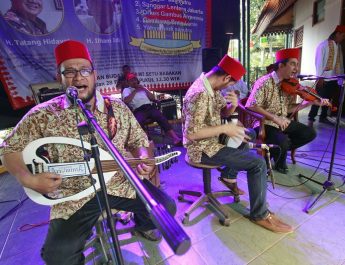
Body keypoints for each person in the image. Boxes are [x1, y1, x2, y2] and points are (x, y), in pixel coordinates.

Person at [0, 40, 176, 265]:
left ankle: (143, 224)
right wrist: (27, 178)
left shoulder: (118, 108)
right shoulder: (43, 114)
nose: (78, 77)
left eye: (84, 70)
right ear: (59, 77)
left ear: (94, 75)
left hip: (120, 184)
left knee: (166, 208)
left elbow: (138, 141)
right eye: (69, 72)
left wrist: (143, 156)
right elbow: (9, 148)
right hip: (75, 195)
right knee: (58, 256)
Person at [183, 54, 293, 233]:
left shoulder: (211, 86)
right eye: (229, 83)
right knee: (257, 164)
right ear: (226, 77)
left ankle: (228, 175)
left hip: (212, 140)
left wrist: (232, 107)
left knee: (247, 133)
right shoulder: (199, 94)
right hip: (201, 149)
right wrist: (225, 129)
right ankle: (260, 214)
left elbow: (224, 113)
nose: (228, 87)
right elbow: (192, 133)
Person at [246, 48, 329, 174]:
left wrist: (309, 102)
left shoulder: (288, 84)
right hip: (264, 122)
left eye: (297, 64)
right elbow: (251, 105)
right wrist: (275, 118)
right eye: (293, 64)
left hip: (283, 121)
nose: (296, 68)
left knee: (310, 133)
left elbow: (288, 109)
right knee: (282, 140)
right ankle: (279, 153)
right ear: (281, 65)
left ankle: (277, 150)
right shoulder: (264, 82)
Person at [122, 73, 182, 146]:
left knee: (161, 118)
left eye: (134, 79)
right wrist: (135, 91)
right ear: (128, 82)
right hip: (138, 109)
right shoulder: (127, 90)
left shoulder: (143, 88)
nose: (134, 81)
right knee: (138, 123)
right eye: (131, 80)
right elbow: (126, 101)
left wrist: (143, 89)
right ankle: (147, 141)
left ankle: (175, 139)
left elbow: (153, 98)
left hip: (149, 107)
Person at [308, 25, 345, 127]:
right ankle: (311, 119)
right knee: (317, 98)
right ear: (337, 34)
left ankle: (323, 117)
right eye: (342, 35)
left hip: (334, 78)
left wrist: (340, 77)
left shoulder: (339, 47)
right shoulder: (323, 45)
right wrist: (320, 77)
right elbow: (319, 62)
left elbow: (340, 63)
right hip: (323, 78)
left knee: (328, 100)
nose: (343, 38)